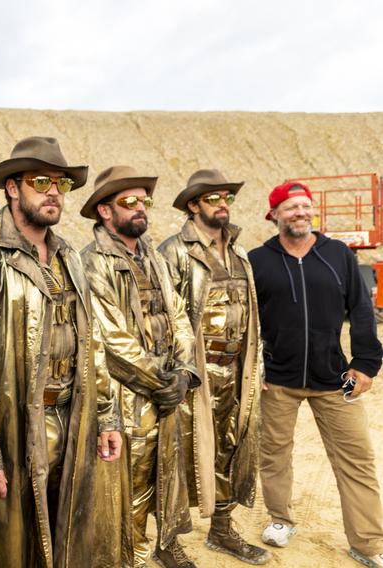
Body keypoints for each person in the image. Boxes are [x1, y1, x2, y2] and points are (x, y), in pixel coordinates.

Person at [0, 137, 122, 567]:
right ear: (13, 188)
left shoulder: (69, 257)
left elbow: (94, 344)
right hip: (13, 427)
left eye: (62, 184)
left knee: (68, 534)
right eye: (41, 181)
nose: (54, 192)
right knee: (11, 546)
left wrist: (106, 416)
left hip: (74, 419)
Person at [249, 181, 383, 567]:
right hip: (277, 379)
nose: (301, 213)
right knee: (274, 455)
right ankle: (280, 519)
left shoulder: (338, 254)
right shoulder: (257, 260)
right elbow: (247, 322)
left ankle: (367, 541)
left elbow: (360, 310)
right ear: (274, 215)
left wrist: (365, 364)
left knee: (357, 459)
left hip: (334, 379)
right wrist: (253, 368)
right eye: (291, 207)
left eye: (306, 206)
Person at [80, 166, 201, 568]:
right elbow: (111, 339)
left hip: (167, 390)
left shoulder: (154, 256)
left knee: (165, 473)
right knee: (124, 485)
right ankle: (125, 555)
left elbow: (180, 315)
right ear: (104, 211)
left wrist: (184, 372)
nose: (139, 208)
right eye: (128, 201)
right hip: (124, 394)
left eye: (143, 200)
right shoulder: (92, 261)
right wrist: (164, 380)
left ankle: (164, 541)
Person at [158, 170, 269, 565]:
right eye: (213, 198)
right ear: (193, 205)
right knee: (178, 455)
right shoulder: (173, 252)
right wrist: (177, 371)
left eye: (227, 198)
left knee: (230, 448)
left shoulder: (240, 254)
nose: (223, 204)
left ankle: (222, 531)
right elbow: (165, 320)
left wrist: (256, 368)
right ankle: (166, 542)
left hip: (237, 370)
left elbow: (253, 316)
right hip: (194, 376)